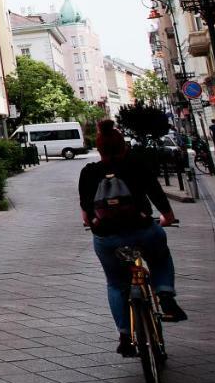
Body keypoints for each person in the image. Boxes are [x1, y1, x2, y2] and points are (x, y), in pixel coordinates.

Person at [79, 127, 186, 357]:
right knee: (159, 258)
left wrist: (95, 222)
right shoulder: (136, 166)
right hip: (142, 230)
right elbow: (156, 193)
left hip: (107, 237)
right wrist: (167, 216)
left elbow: (87, 215)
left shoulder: (88, 173)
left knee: (116, 283)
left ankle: (125, 336)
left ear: (98, 149)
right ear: (124, 146)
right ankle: (165, 294)